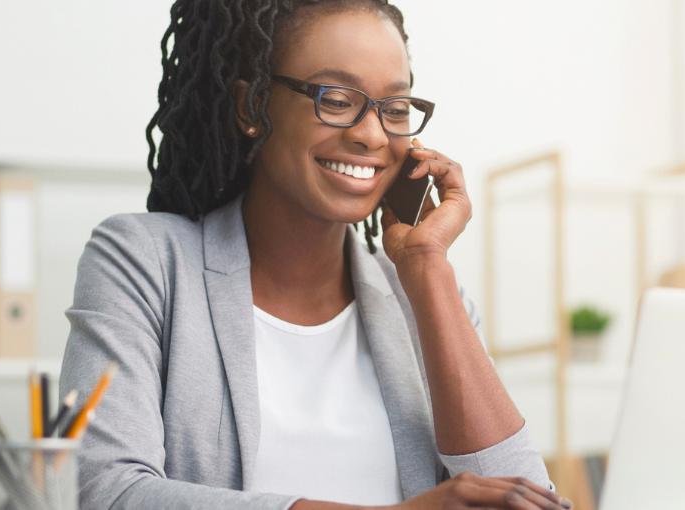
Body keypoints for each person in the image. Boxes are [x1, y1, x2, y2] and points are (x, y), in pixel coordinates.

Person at [58, 1, 569, 509]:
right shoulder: (144, 262)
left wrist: (426, 266)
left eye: (393, 110)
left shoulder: (423, 294)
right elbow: (104, 491)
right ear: (252, 107)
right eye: (337, 99)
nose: (371, 135)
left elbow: (523, 501)